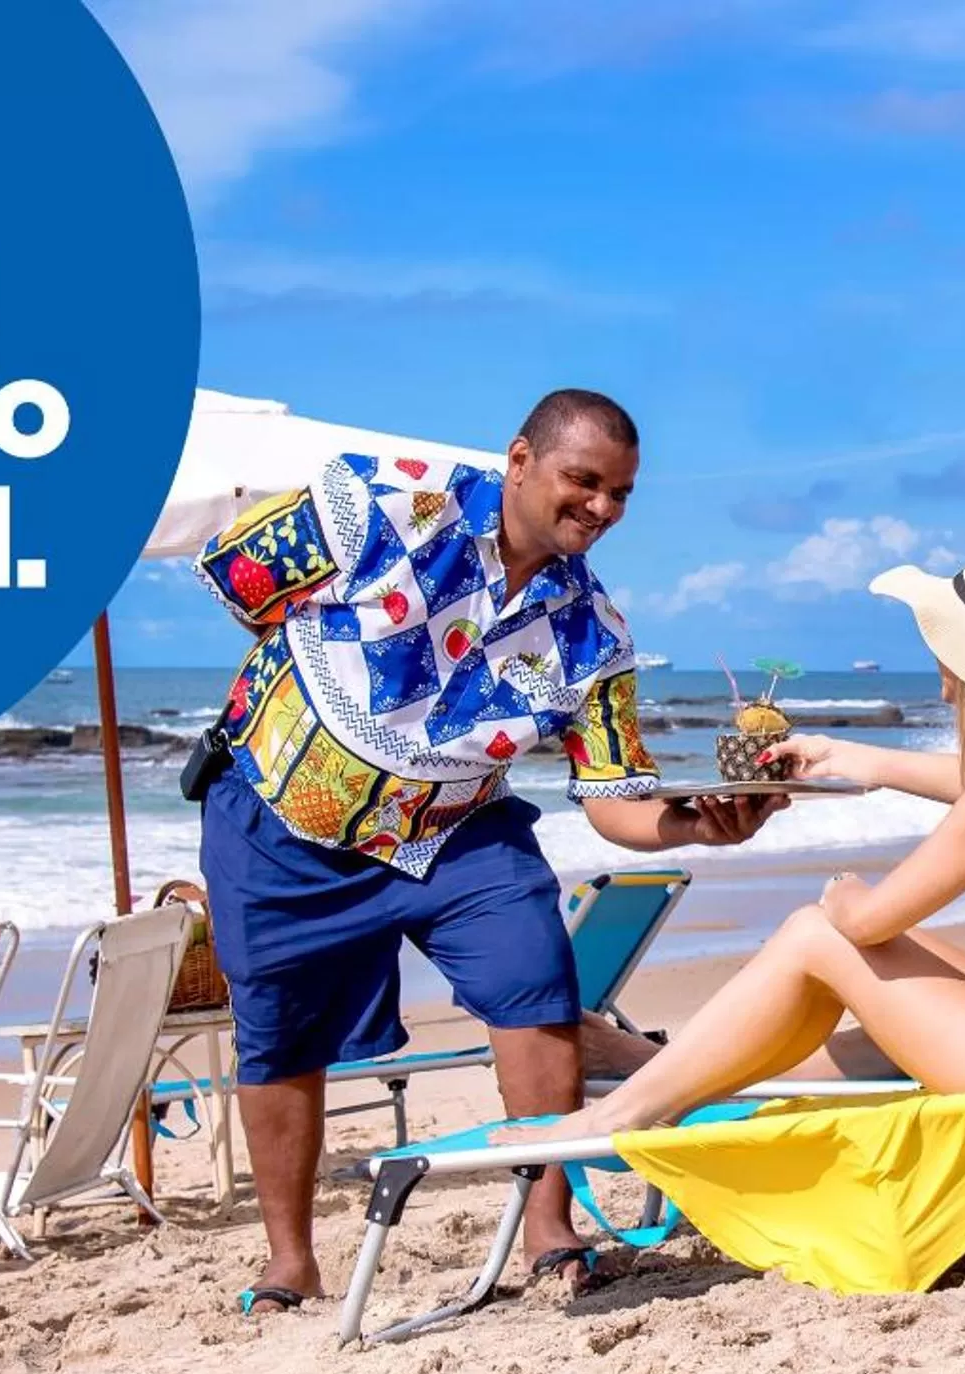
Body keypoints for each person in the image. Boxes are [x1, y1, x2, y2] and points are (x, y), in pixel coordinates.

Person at [191, 389, 784, 1312]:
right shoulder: (381, 505)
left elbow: (616, 801)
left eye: (620, 494)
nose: (602, 508)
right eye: (582, 481)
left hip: (453, 832)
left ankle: (551, 1232)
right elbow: (238, 580)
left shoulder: (595, 634)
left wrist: (697, 826)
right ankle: (289, 1262)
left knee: (536, 982)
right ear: (519, 460)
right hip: (279, 824)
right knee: (277, 1035)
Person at [521, 538, 965, 1144]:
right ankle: (666, 1074)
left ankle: (624, 1113)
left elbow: (874, 917)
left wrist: (842, 893)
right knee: (896, 980)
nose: (939, 675)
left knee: (822, 933)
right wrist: (845, 755)